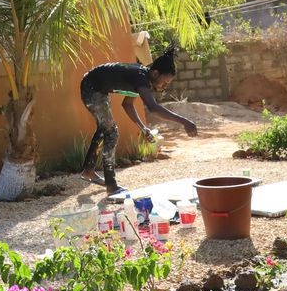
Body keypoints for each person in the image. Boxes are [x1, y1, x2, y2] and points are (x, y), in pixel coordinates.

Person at [78, 46, 198, 196]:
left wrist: (143, 128)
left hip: (97, 88)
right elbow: (153, 108)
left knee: (105, 128)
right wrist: (185, 122)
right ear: (155, 73)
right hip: (91, 87)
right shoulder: (141, 78)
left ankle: (89, 171)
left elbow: (127, 104)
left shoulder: (143, 79)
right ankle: (111, 185)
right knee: (111, 132)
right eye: (164, 82)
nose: (164, 87)